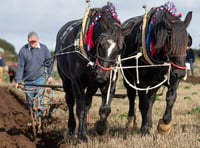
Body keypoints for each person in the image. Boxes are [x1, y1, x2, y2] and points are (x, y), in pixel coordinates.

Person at [15, 32, 54, 116]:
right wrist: (18, 80)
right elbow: (20, 66)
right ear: (28, 41)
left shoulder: (44, 49)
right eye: (31, 42)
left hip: (40, 78)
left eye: (34, 41)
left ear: (37, 40)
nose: (33, 43)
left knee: (39, 99)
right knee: (30, 102)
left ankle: (40, 118)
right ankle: (34, 117)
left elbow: (50, 63)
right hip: (27, 81)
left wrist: (50, 76)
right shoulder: (23, 50)